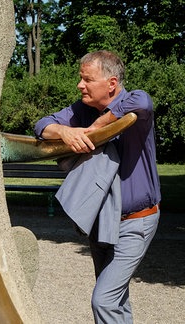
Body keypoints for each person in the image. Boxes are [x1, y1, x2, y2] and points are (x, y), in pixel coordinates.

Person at [34, 50, 161, 324]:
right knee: (116, 299)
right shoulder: (81, 109)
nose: (80, 85)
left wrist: (95, 128)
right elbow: (41, 125)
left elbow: (144, 102)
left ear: (111, 83)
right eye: (81, 79)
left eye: (87, 79)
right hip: (101, 220)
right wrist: (65, 131)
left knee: (103, 299)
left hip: (136, 222)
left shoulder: (133, 103)